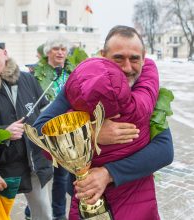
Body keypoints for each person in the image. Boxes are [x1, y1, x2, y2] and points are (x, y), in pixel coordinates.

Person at [34, 26, 174, 220]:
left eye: (134, 59)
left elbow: (164, 150)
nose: (127, 67)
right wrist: (91, 132)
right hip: (88, 203)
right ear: (103, 56)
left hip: (137, 203)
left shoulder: (146, 90)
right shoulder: (83, 85)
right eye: (118, 58)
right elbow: (39, 130)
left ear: (144, 58)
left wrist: (109, 173)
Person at [0, 37, 53, 220]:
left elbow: (45, 112)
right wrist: (4, 133)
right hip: (0, 168)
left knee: (43, 214)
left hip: (34, 161)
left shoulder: (27, 79)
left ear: (5, 53)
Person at [33, 38, 74, 220]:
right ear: (48, 52)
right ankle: (33, 210)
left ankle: (59, 215)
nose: (60, 52)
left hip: (66, 132)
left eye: (63, 49)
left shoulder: (72, 73)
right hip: (44, 131)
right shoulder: (37, 75)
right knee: (40, 175)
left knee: (61, 177)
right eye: (56, 49)